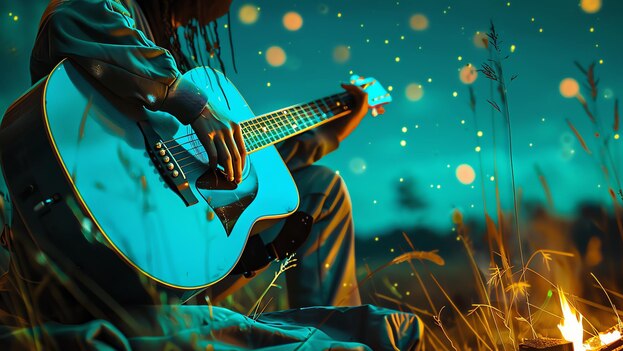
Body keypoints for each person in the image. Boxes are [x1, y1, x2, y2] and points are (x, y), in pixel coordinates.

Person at [30, 0, 371, 311]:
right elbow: (69, 17)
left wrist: (333, 131)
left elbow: (255, 164)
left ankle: (333, 330)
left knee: (321, 187)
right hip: (99, 227)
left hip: (177, 244)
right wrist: (195, 105)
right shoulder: (118, 9)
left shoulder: (181, 60)